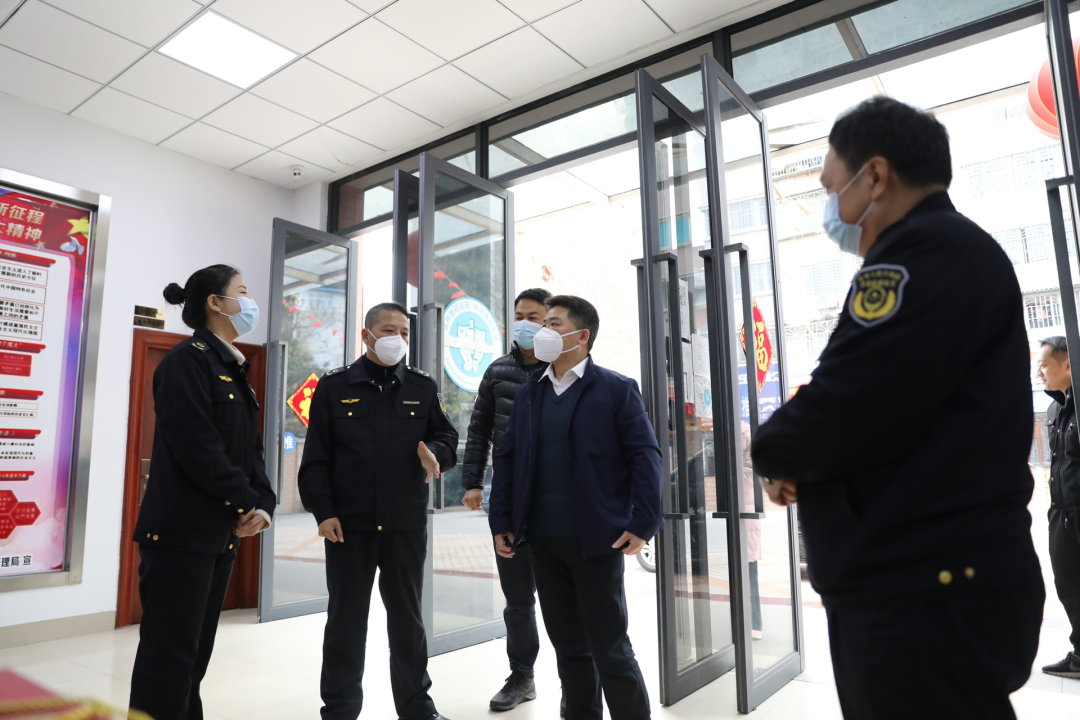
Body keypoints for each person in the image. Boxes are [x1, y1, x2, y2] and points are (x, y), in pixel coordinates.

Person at [750, 98, 1044, 719]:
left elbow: (849, 402)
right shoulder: (948, 251)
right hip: (932, 582)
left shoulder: (921, 254)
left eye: (831, 187)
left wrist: (773, 449)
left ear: (875, 177)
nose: (831, 206)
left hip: (923, 593)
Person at [489, 295, 663, 720]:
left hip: (597, 541)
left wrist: (644, 520)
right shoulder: (530, 393)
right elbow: (507, 458)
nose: (542, 331)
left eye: (554, 323)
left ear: (582, 336)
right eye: (543, 323)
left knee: (610, 648)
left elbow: (645, 455)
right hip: (542, 542)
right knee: (568, 649)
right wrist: (502, 520)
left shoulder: (616, 389)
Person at [298, 301, 459, 720]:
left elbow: (447, 437)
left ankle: (417, 707)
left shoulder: (422, 386)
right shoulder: (334, 387)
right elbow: (316, 459)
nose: (398, 339)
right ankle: (340, 709)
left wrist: (435, 452)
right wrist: (324, 512)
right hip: (349, 527)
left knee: (408, 621)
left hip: (405, 523)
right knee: (346, 621)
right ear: (367, 335)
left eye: (404, 332)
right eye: (389, 331)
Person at [130, 265, 275, 720]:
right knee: (168, 661)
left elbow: (250, 450)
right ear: (215, 302)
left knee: (192, 662)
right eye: (242, 292)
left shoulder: (232, 367)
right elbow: (198, 448)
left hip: (217, 536)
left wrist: (264, 504)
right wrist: (246, 500)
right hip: (180, 537)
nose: (249, 302)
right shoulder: (186, 362)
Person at [460, 287, 567, 713]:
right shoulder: (498, 371)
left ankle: (575, 681)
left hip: (558, 498)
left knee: (567, 599)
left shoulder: (563, 368)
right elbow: (479, 429)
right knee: (518, 600)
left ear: (550, 322)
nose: (524, 323)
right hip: (512, 502)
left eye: (534, 317)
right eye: (519, 316)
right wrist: (472, 481)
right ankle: (522, 676)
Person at [1037, 336, 1080, 678]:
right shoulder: (1054, 410)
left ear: (1067, 364)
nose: (1039, 372)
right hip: (1061, 513)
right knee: (1069, 585)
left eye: (1043, 365)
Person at [741, 419, 762, 641]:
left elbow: (751, 473)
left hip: (745, 514)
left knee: (749, 572)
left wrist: (728, 473)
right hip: (737, 512)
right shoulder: (733, 433)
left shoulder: (745, 433)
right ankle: (745, 623)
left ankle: (755, 624)